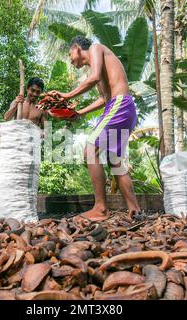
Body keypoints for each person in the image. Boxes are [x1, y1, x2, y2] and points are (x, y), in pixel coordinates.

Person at [48, 35, 142, 223]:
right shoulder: (97, 67)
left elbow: (95, 78)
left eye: (69, 54)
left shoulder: (96, 48)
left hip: (120, 105)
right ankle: (135, 210)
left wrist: (66, 96)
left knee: (91, 149)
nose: (70, 59)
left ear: (76, 48)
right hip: (121, 107)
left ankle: (100, 208)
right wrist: (79, 113)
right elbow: (104, 99)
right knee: (115, 161)